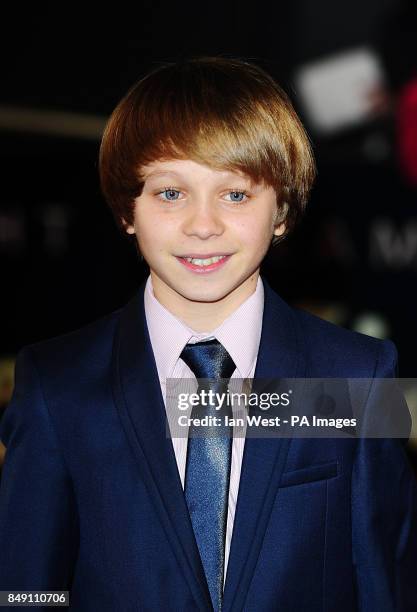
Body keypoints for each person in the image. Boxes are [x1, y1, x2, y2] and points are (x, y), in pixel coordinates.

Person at [0, 56, 416, 612]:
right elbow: (29, 591)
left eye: (236, 194)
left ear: (283, 211)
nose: (202, 224)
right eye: (171, 193)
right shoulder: (57, 386)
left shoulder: (358, 377)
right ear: (129, 208)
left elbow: (384, 579)